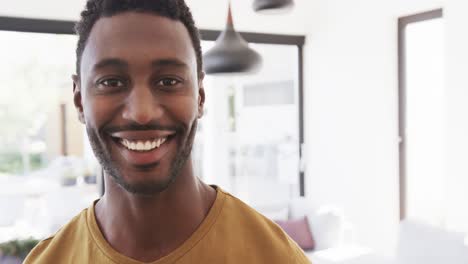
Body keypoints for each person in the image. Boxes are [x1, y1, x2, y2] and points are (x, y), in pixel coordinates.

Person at [24, 0, 310, 263]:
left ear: (199, 96)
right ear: (79, 101)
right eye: (111, 82)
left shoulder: (276, 256)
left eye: (169, 81)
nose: (141, 113)